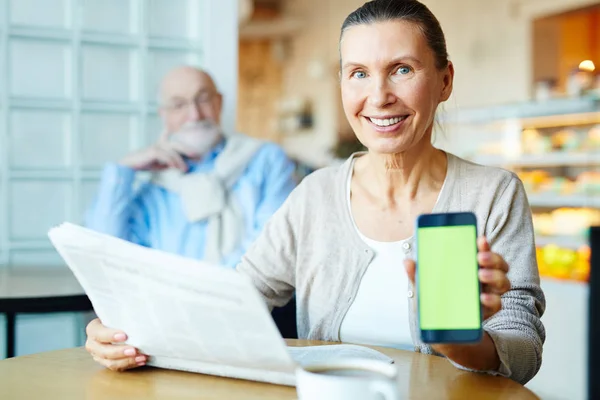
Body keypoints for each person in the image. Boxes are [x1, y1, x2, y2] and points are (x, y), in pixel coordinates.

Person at [84, 0, 545, 385]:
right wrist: (128, 332)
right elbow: (234, 301)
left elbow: (523, 351)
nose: (379, 95)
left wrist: (458, 340)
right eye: (358, 73)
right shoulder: (314, 196)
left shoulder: (493, 193)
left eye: (402, 69)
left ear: (444, 80)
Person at [85, 66, 297, 268]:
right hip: (167, 303)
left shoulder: (266, 160)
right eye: (178, 105)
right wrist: (125, 169)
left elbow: (271, 250)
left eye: (203, 99)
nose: (195, 115)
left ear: (219, 103)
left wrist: (207, 293)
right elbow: (105, 252)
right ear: (164, 115)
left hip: (246, 301)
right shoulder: (155, 186)